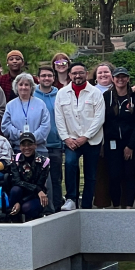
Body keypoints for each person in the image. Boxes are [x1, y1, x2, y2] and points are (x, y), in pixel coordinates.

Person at [55, 63, 104, 211]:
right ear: (69, 75)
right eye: (74, 73)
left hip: (92, 140)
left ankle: (87, 203)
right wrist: (66, 138)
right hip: (71, 140)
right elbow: (59, 118)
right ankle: (71, 198)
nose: (77, 76)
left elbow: (99, 118)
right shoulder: (62, 93)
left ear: (87, 74)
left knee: (91, 173)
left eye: (81, 73)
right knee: (70, 164)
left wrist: (86, 137)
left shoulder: (95, 93)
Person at [103, 67, 135, 209]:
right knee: (114, 176)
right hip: (112, 143)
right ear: (113, 79)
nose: (120, 79)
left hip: (132, 142)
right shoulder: (106, 97)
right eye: (117, 77)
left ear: (128, 78)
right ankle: (117, 206)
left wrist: (130, 145)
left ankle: (129, 206)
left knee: (129, 174)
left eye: (123, 77)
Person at [34, 66, 63, 212]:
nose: (46, 78)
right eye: (43, 75)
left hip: (56, 143)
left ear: (54, 78)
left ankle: (58, 207)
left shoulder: (60, 94)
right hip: (38, 145)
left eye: (49, 76)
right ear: (38, 78)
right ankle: (42, 209)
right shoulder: (33, 95)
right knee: (41, 179)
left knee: (56, 178)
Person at [2, 73, 50, 155]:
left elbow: (45, 125)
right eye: (20, 84)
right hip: (18, 148)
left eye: (26, 85)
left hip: (38, 149)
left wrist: (32, 138)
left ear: (31, 87)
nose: (23, 87)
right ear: (16, 86)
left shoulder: (40, 104)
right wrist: (19, 135)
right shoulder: (10, 105)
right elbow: (5, 126)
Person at [8, 133, 49, 222]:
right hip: (22, 193)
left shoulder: (44, 162)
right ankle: (14, 219)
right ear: (20, 146)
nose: (26, 148)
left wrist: (20, 202)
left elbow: (40, 185)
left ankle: (34, 218)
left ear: (35, 145)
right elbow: (17, 181)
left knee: (27, 207)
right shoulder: (15, 159)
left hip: (35, 196)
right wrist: (37, 189)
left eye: (29, 144)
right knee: (15, 190)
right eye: (24, 145)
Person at [90, 62, 114, 209]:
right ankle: (100, 203)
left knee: (117, 171)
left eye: (107, 72)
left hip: (116, 138)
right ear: (95, 76)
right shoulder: (91, 92)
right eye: (100, 73)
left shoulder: (120, 89)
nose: (103, 75)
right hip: (97, 137)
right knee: (99, 172)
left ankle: (118, 203)